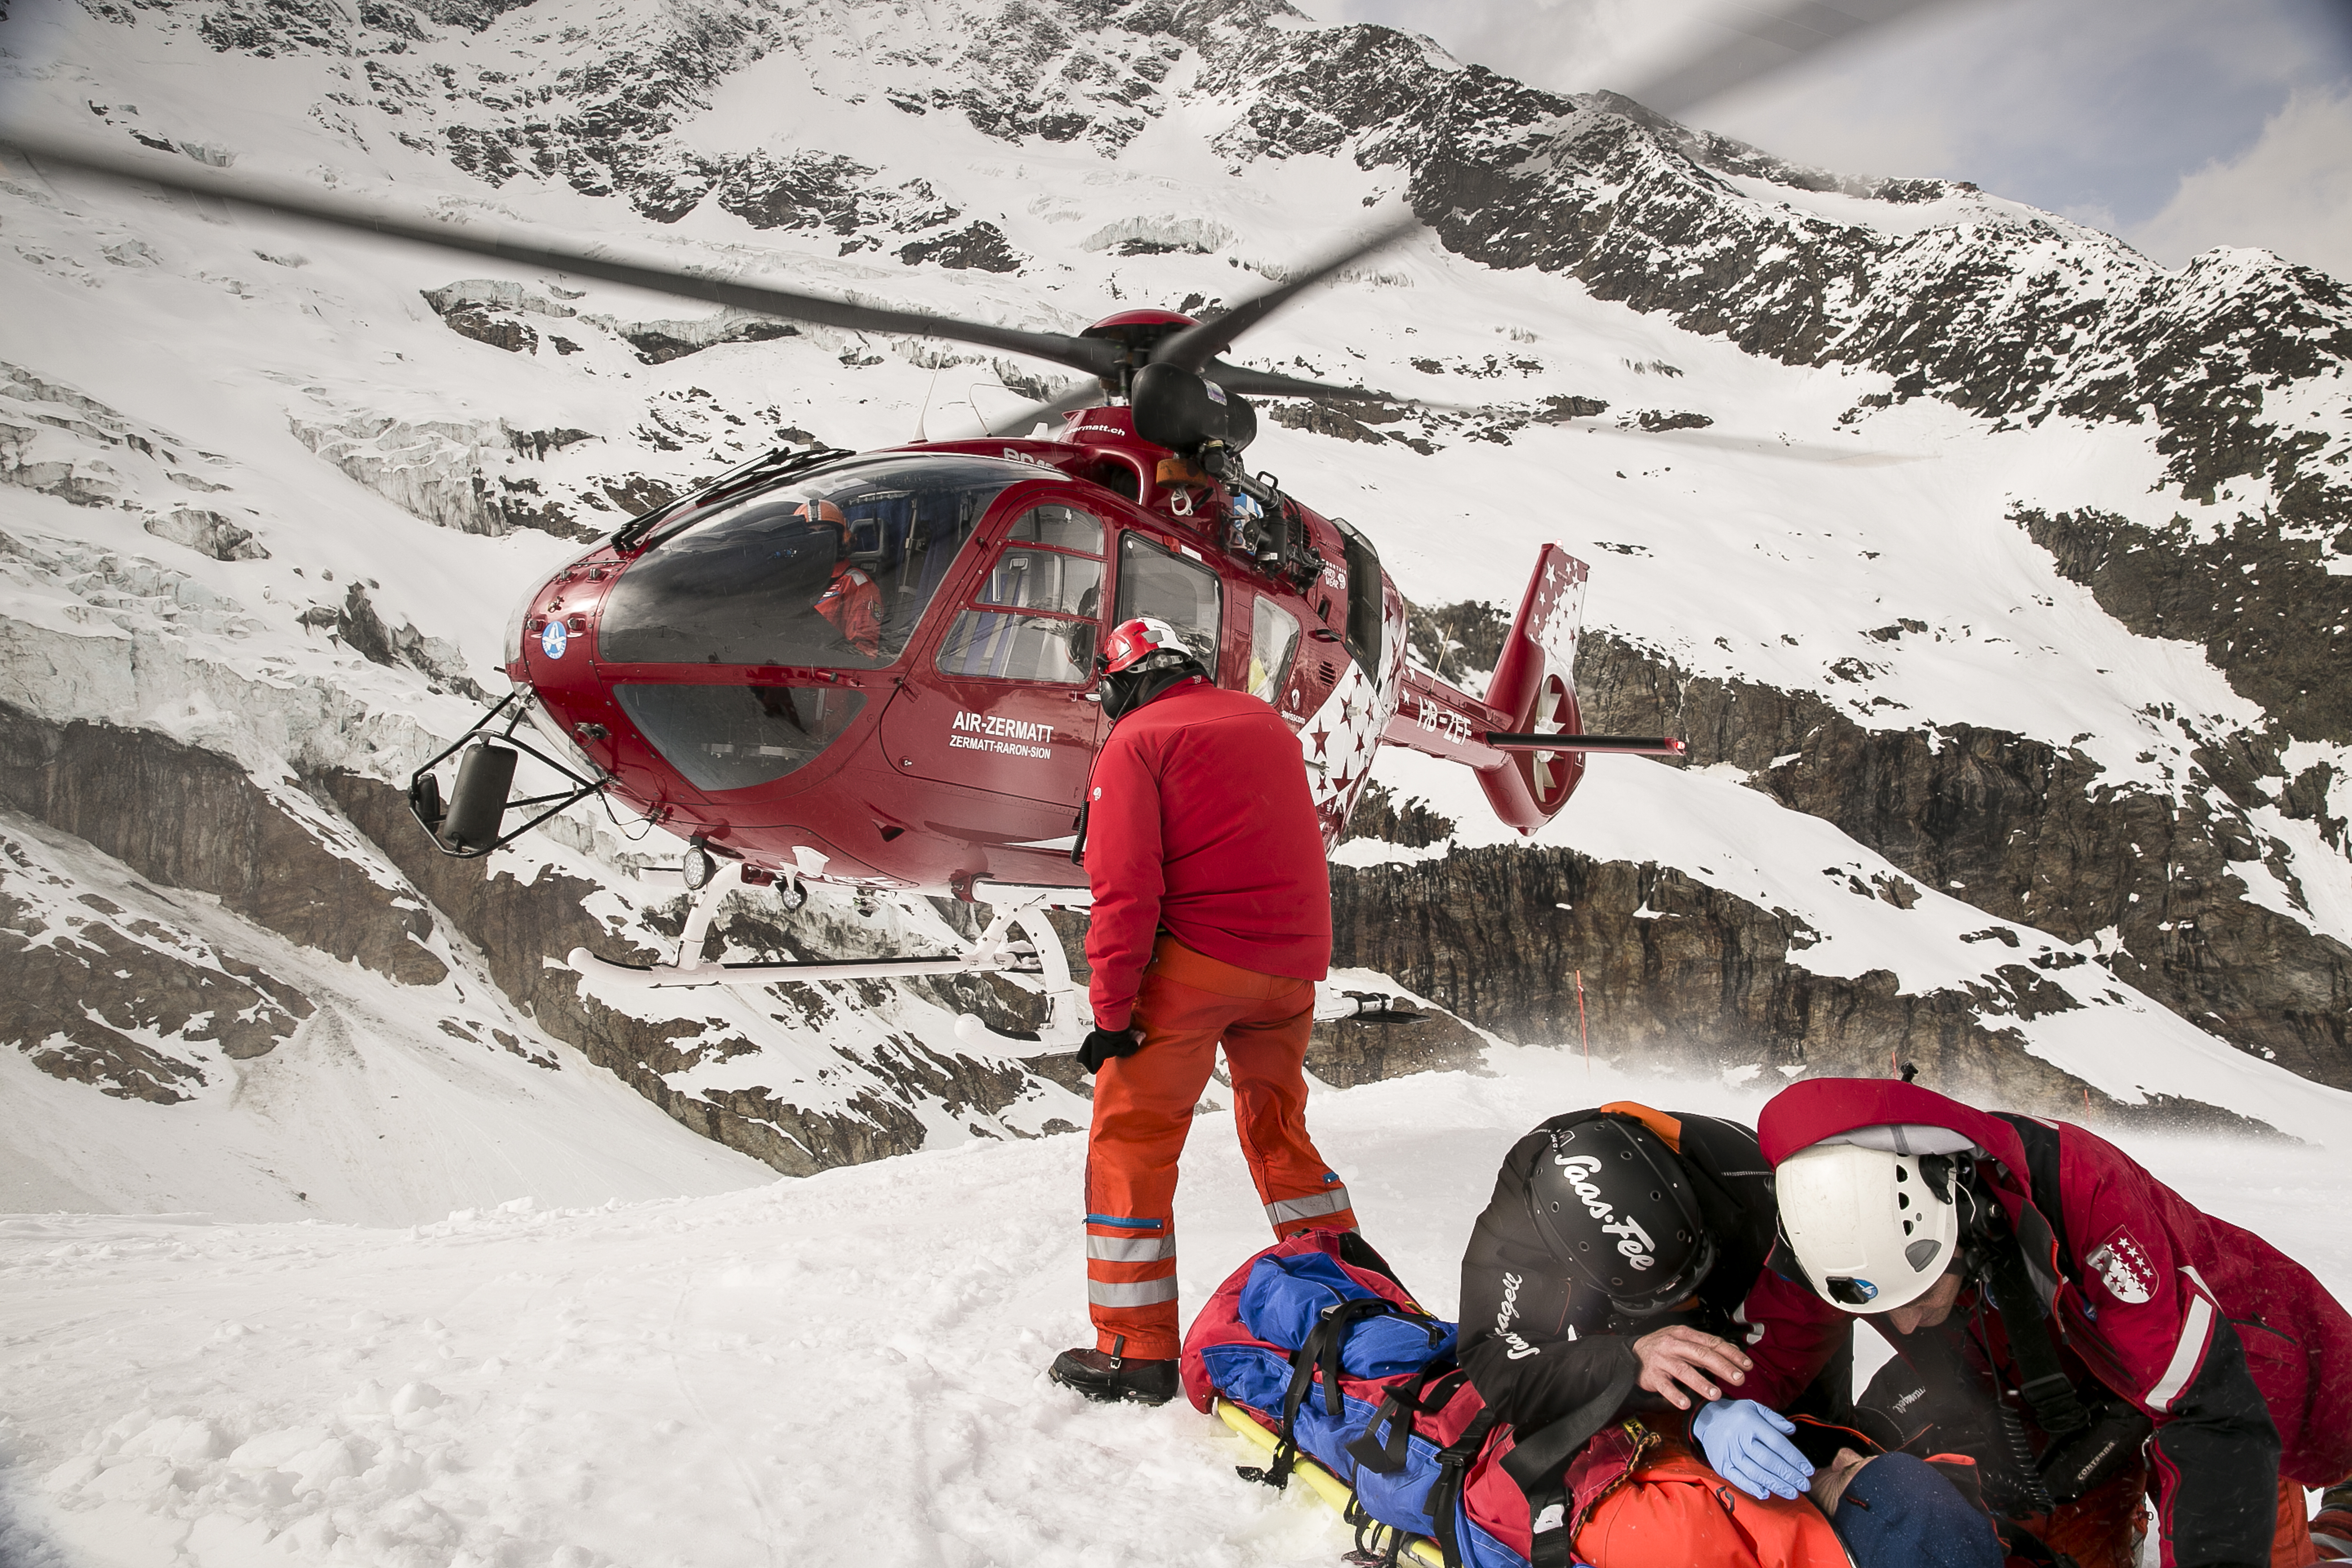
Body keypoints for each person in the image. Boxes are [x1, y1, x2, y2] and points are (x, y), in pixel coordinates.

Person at [1762, 1078, 2352, 1568]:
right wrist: (1704, 1409)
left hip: (2221, 1369)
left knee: (2244, 1540)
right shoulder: (1835, 1235)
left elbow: (2209, 1417)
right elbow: (1766, 1353)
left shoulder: (2086, 1193)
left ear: (1963, 1222)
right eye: (1878, 1309)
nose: (1906, 1325)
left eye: (1918, 1293)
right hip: (2070, 1414)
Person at [1459, 1102, 2006, 1568]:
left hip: (1747, 1267)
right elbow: (1497, 1365)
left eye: (1686, 1276)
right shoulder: (1520, 1233)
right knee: (1711, 1464)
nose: (1678, 1299)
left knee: (1817, 1429)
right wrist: (1628, 1360)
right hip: (1632, 1345)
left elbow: (1819, 1303)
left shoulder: (1752, 1178)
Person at [1046, 615, 1353, 1406]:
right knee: (1277, 1129)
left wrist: (1112, 1017)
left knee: (1132, 1142)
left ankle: (1134, 1349)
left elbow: (1125, 894)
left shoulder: (1137, 743)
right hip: (1288, 971)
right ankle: (1354, 1298)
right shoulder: (1263, 723)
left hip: (1194, 968)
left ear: (1125, 684)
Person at [795, 499, 881, 658]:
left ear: (842, 538)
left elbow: (863, 654)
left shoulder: (858, 585)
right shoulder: (787, 581)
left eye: (825, 532)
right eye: (811, 533)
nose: (818, 540)